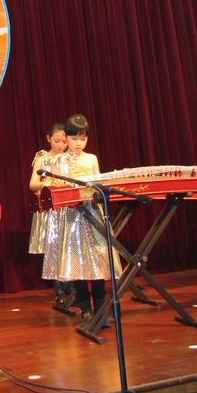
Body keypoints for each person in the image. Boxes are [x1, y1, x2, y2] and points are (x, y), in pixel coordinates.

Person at [41, 114, 119, 320]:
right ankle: (85, 308)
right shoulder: (58, 160)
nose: (78, 143)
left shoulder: (91, 158)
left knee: (98, 259)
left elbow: (98, 183)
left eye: (83, 139)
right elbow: (48, 186)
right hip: (72, 216)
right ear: (66, 137)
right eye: (74, 138)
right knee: (77, 262)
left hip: (93, 212)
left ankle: (100, 306)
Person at [28, 123, 71, 310]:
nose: (60, 145)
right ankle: (59, 291)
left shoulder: (71, 158)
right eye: (56, 141)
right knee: (54, 249)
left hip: (69, 208)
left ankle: (74, 289)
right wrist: (49, 183)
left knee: (70, 248)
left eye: (64, 142)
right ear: (48, 139)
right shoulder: (42, 158)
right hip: (51, 210)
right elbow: (33, 184)